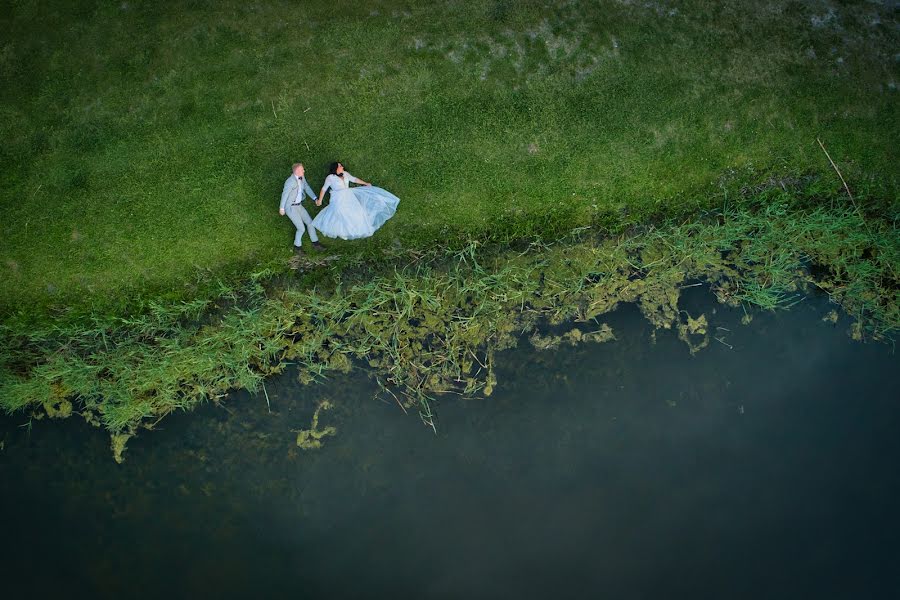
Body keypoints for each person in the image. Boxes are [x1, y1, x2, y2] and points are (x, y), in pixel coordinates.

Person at [311, 162, 400, 240]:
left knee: (355, 212)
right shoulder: (330, 177)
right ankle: (342, 232)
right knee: (340, 213)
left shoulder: (345, 174)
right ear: (336, 168)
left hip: (349, 196)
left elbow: (354, 179)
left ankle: (354, 230)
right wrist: (320, 200)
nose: (342, 167)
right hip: (338, 197)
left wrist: (365, 183)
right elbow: (324, 189)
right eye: (340, 166)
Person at [280, 163, 325, 255]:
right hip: (291, 207)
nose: (304, 171)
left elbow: (307, 188)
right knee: (301, 228)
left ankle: (315, 243)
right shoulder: (290, 182)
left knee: (310, 223)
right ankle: (297, 247)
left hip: (299, 205)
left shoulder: (302, 178)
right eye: (302, 170)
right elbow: (284, 194)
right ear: (297, 171)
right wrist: (282, 208)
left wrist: (315, 198)